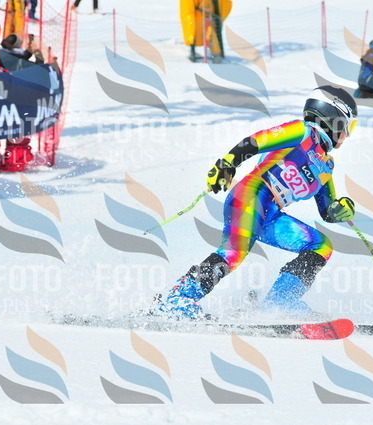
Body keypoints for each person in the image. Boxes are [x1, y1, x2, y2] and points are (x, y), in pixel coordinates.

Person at [152, 86, 359, 320]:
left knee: (320, 246)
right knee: (234, 252)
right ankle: (177, 300)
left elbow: (327, 211)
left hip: (271, 213)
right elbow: (256, 141)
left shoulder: (326, 166)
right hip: (251, 196)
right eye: (346, 127)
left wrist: (341, 209)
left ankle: (280, 304)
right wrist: (228, 163)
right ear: (332, 117)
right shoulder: (302, 132)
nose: (346, 135)